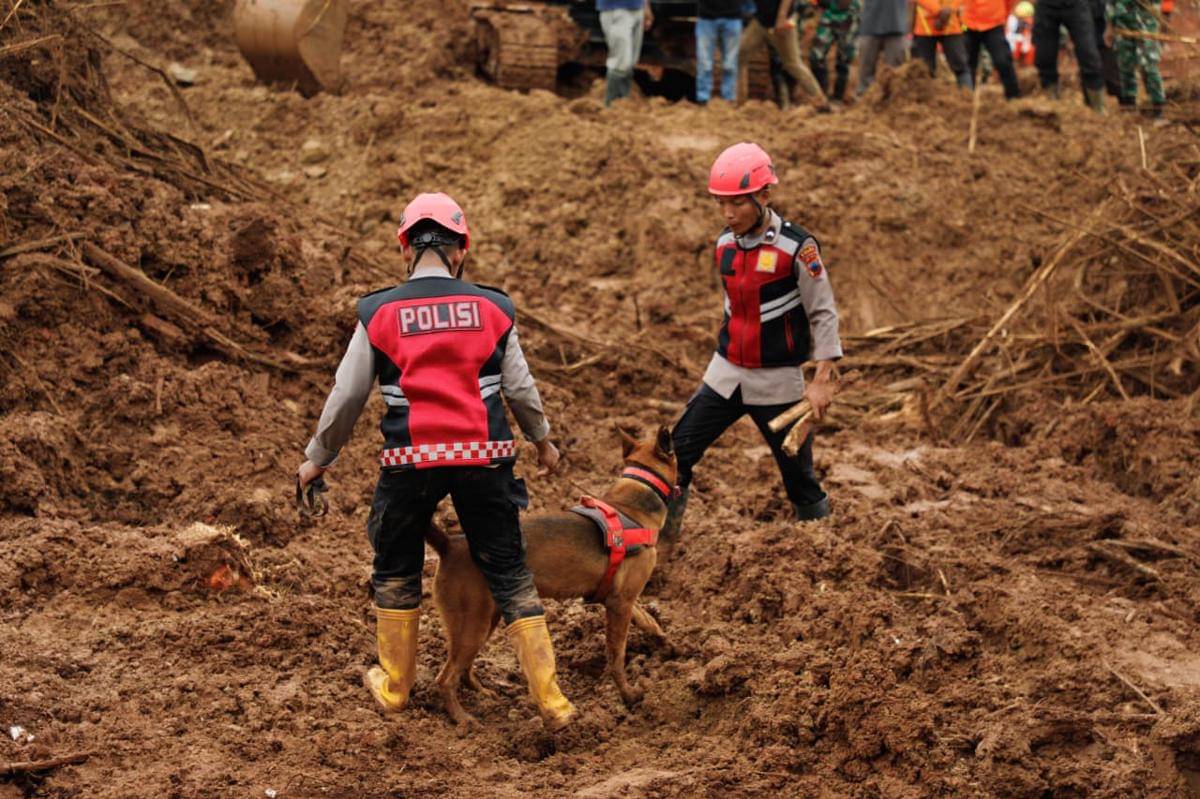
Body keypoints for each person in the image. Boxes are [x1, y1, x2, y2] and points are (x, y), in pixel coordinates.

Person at [295, 192, 576, 730]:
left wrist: (318, 458)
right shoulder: (494, 308)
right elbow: (519, 387)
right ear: (460, 251)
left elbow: (348, 394)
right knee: (510, 572)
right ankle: (552, 699)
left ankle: (395, 687)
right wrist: (542, 441)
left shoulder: (378, 312)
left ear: (405, 250)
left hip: (410, 462)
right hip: (486, 459)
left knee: (396, 567)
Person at [661, 143, 843, 546]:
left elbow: (824, 312)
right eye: (721, 204)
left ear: (764, 196)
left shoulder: (797, 248)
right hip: (725, 376)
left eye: (738, 204)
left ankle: (822, 552)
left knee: (800, 480)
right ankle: (662, 550)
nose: (728, 214)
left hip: (779, 384)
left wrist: (822, 378)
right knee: (674, 459)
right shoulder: (724, 245)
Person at [738, 0, 830, 109]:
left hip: (782, 24)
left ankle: (820, 100)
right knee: (741, 54)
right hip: (761, 22)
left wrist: (781, 17)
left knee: (793, 64)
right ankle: (740, 99)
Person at [1033, 0, 1106, 110]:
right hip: (1046, 6)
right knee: (1044, 55)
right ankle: (1051, 101)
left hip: (1077, 5)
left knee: (1088, 52)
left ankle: (1097, 106)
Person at [1106, 0, 1165, 115]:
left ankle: (1157, 108)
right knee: (1125, 66)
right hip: (1123, 26)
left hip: (1146, 25)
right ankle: (1129, 106)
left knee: (1149, 66)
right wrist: (1109, 26)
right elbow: (1110, 4)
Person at [598, 0, 653, 105]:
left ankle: (623, 103)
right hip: (615, 9)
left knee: (630, 61)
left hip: (637, 8)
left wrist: (646, 5)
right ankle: (611, 104)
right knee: (621, 61)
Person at [963, 0, 1022, 98]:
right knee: (967, 63)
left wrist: (1004, 17)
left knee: (1003, 60)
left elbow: (1009, 2)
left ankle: (1013, 96)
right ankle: (967, 96)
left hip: (994, 24)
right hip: (968, 24)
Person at [809, 0, 863, 102]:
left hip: (850, 12)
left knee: (844, 58)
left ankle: (838, 97)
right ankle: (821, 95)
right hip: (829, 11)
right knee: (815, 56)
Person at [912, 0, 972, 87]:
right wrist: (941, 12)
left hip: (951, 25)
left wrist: (949, 10)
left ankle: (967, 97)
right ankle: (926, 98)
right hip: (925, 26)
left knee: (961, 66)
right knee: (924, 70)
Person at [697, 0, 745, 103]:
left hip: (733, 17)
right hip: (706, 18)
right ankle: (703, 99)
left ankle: (729, 98)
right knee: (704, 63)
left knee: (730, 64)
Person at [856, 0, 909, 95]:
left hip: (895, 25)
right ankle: (865, 97)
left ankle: (894, 98)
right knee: (866, 68)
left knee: (896, 71)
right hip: (869, 24)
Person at [1007, 1, 1036, 67]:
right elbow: (1010, 33)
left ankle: (1026, 63)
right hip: (1016, 39)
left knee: (1030, 48)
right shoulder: (1012, 20)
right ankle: (1016, 61)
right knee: (1016, 45)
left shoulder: (1030, 22)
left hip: (1025, 40)